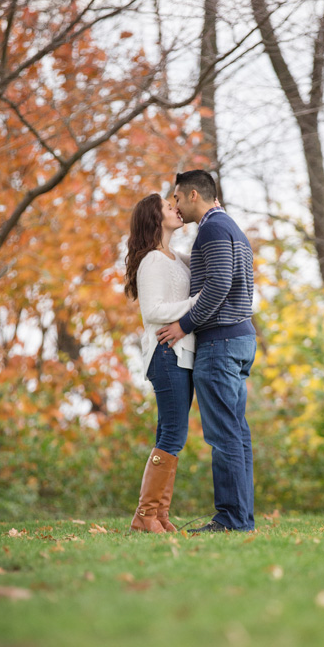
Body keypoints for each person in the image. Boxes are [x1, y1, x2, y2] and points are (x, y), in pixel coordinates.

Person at [156, 170, 256, 533]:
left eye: (178, 199)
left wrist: (184, 325)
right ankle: (241, 519)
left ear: (193, 194)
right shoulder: (229, 226)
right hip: (240, 338)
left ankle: (230, 520)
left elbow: (218, 284)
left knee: (224, 435)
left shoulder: (213, 229)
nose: (176, 208)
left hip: (222, 342)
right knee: (236, 433)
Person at [124, 193, 199, 533]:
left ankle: (158, 515)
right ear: (156, 218)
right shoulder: (152, 261)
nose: (176, 209)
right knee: (173, 434)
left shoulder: (174, 258)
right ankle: (145, 515)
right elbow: (152, 311)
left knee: (170, 433)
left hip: (180, 354)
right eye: (169, 207)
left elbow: (201, 261)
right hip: (165, 353)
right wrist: (197, 302)